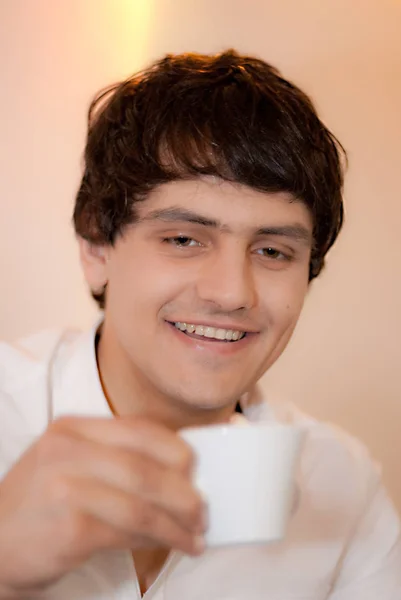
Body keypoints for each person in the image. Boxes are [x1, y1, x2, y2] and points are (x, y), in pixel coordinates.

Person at [0, 49, 399, 600]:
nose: (232, 293)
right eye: (184, 239)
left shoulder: (342, 487)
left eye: (273, 251)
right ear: (96, 244)